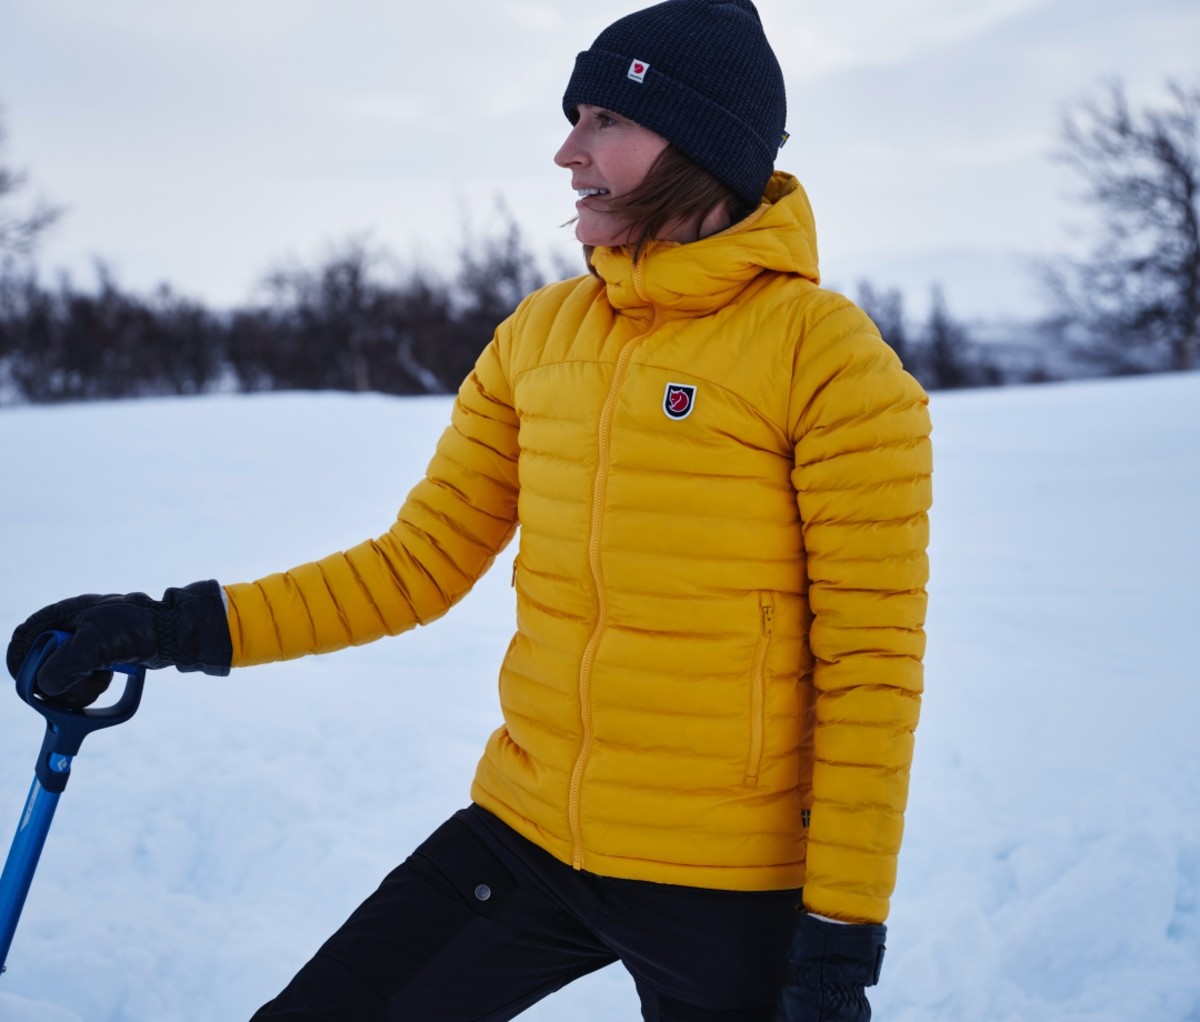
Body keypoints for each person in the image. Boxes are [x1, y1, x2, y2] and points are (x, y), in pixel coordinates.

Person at [6, 1, 932, 1019]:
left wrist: (841, 937)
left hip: (726, 878)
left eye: (602, 123)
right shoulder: (541, 337)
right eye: (572, 119)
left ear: (699, 145)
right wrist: (166, 624)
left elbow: (869, 671)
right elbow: (415, 564)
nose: (565, 152)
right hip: (529, 832)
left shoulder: (829, 360)